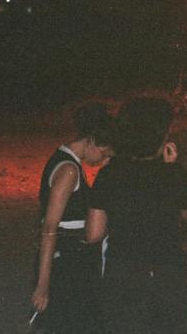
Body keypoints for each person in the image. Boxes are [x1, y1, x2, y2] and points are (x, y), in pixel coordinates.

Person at [86, 97, 187, 334]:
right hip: (166, 271)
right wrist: (177, 171)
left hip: (123, 270)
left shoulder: (109, 174)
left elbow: (93, 233)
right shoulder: (172, 173)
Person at [31, 103, 116, 332]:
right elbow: (49, 227)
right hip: (67, 262)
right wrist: (43, 283)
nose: (102, 160)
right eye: (104, 153)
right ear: (91, 140)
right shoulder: (68, 170)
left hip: (72, 260)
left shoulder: (67, 161)